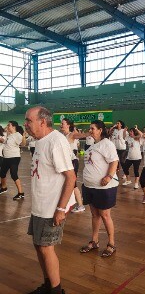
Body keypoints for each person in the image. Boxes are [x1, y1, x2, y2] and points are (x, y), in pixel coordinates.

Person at [24, 106, 76, 294]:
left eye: (29, 120)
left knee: (46, 248)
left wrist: (61, 209)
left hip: (51, 207)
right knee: (38, 245)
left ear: (42, 121)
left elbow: (71, 177)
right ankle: (48, 285)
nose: (26, 124)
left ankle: (56, 291)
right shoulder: (40, 141)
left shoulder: (56, 141)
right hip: (39, 206)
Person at [80, 120, 119, 257]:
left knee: (105, 215)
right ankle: (94, 241)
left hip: (104, 187)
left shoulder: (107, 144)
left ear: (100, 130)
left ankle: (111, 244)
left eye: (92, 128)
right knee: (95, 215)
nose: (90, 131)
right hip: (90, 186)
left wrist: (108, 176)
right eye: (90, 128)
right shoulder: (92, 146)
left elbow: (114, 161)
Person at [60, 119, 85, 213]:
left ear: (68, 125)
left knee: (73, 184)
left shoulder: (71, 134)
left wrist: (88, 133)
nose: (61, 125)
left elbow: (81, 135)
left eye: (63, 123)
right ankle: (67, 203)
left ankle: (81, 205)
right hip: (65, 162)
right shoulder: (63, 136)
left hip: (72, 162)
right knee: (65, 183)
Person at [0, 121, 26, 200]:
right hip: (6, 158)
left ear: (13, 126)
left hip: (14, 158)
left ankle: (21, 193)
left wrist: (23, 136)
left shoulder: (17, 135)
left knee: (13, 174)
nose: (7, 126)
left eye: (9, 125)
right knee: (2, 173)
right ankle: (4, 187)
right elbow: (6, 142)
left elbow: (23, 144)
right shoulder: (9, 135)